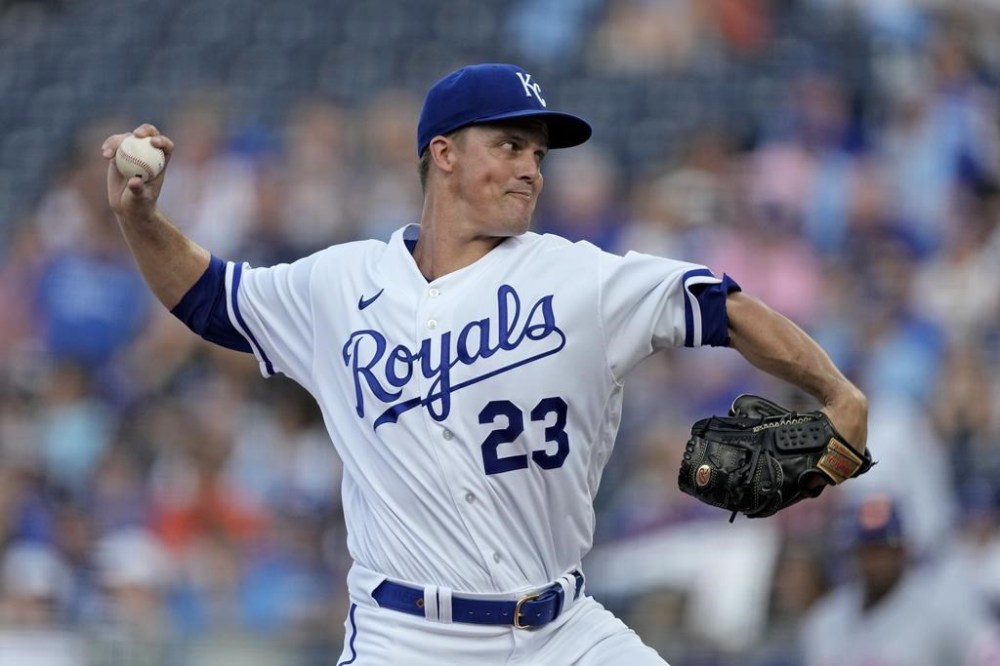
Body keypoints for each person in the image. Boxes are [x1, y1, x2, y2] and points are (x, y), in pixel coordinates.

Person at [102, 63, 868, 665]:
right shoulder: (338, 285)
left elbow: (724, 306)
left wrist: (834, 391)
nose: (532, 168)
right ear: (443, 154)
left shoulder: (580, 280)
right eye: (508, 146)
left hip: (563, 631)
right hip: (406, 638)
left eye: (537, 153)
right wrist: (139, 218)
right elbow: (209, 298)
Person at [799, 493, 1000, 666]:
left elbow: (989, 655)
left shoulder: (942, 610)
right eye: (865, 550)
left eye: (881, 550)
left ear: (902, 552)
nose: (873, 561)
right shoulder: (825, 620)